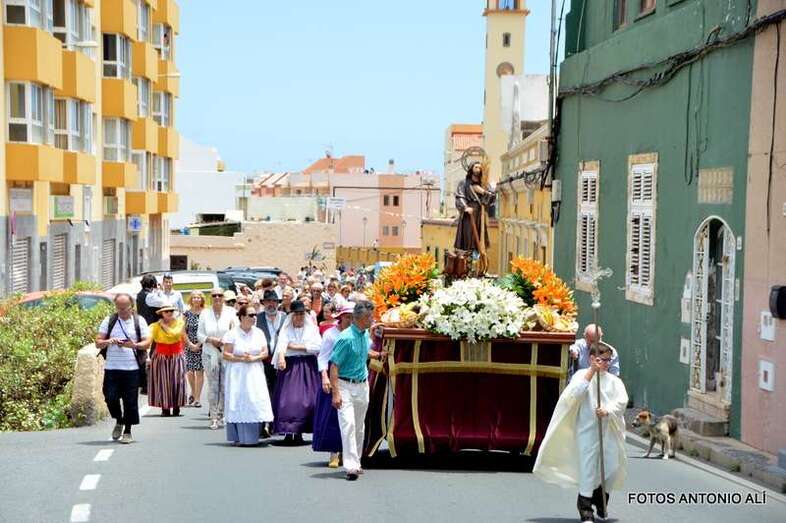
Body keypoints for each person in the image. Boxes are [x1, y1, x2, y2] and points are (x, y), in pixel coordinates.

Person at [533, 343, 629, 522]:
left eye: (609, 360)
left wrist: (607, 410)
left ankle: (601, 502)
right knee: (588, 468)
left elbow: (622, 402)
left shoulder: (615, 381)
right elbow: (573, 395)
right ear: (592, 358)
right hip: (587, 430)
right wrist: (591, 372)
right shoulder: (580, 376)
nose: (607, 363)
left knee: (610, 468)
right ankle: (585, 509)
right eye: (603, 360)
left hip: (609, 430)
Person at [329, 301, 379, 480]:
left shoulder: (365, 334)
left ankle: (356, 461)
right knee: (348, 424)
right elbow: (334, 366)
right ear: (361, 318)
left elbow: (364, 352)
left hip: (362, 385)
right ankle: (350, 466)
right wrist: (335, 393)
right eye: (369, 317)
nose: (372, 320)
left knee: (359, 426)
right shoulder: (345, 338)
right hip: (345, 386)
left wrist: (378, 355)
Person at [96, 294, 152, 444]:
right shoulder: (110, 320)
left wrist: (133, 345)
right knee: (110, 397)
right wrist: (109, 341)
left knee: (130, 402)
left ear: (131, 306)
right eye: (118, 308)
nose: (121, 311)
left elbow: (147, 343)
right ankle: (119, 420)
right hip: (112, 368)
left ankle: (128, 431)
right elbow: (98, 342)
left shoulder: (139, 321)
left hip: (132, 368)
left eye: (124, 308)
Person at [222, 305, 274, 446]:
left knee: (254, 399)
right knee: (238, 399)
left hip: (254, 370)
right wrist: (240, 359)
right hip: (237, 372)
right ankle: (238, 435)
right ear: (242, 317)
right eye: (251, 315)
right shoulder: (232, 333)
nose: (254, 318)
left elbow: (265, 352)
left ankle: (255, 433)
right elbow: (226, 354)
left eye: (255, 315)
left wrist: (253, 359)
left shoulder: (259, 332)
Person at [272, 300, 322, 444]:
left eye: (302, 314)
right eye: (297, 314)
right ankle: (288, 431)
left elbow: (317, 346)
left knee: (307, 400)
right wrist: (281, 357)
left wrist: (296, 347)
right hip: (291, 367)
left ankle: (299, 431)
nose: (299, 316)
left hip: (307, 366)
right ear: (292, 316)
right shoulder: (286, 329)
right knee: (287, 400)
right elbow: (282, 344)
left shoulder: (311, 329)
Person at [313, 302, 355, 468]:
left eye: (352, 317)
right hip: (334, 376)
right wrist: (324, 377)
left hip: (351, 377)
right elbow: (323, 357)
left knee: (350, 418)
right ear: (341, 317)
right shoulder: (330, 334)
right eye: (347, 316)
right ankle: (334, 453)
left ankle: (348, 453)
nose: (350, 320)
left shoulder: (357, 333)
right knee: (333, 418)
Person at [198, 288, 237, 429]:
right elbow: (199, 335)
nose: (217, 298)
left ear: (224, 297)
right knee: (213, 386)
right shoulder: (205, 313)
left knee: (225, 385)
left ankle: (222, 414)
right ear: (211, 297)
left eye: (220, 295)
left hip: (226, 352)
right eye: (214, 295)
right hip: (210, 353)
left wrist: (225, 340)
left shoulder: (231, 312)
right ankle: (213, 416)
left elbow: (235, 331)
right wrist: (211, 339)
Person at [148, 298, 188, 417]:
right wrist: (147, 356)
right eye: (166, 311)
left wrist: (163, 326)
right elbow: (148, 339)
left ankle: (177, 406)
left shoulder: (180, 322)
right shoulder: (154, 326)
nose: (169, 313)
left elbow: (175, 334)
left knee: (177, 381)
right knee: (162, 382)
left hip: (176, 355)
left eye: (171, 311)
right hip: (161, 355)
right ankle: (165, 408)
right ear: (161, 313)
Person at [256, 289, 287, 437]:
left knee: (280, 393)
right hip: (264, 362)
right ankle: (264, 423)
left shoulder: (285, 318)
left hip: (282, 362)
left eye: (274, 301)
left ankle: (277, 424)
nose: (271, 304)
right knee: (264, 393)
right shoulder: (257, 319)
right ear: (264, 303)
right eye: (268, 301)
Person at [454, 161, 496, 253]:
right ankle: (468, 253)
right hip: (469, 213)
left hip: (480, 213)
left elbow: (491, 197)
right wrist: (465, 207)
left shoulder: (483, 184)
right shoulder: (464, 183)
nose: (478, 169)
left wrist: (484, 192)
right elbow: (459, 196)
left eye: (479, 168)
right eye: (476, 167)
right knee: (469, 235)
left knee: (479, 235)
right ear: (471, 169)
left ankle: (477, 253)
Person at [183, 291, 205, 407]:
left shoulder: (205, 313)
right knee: (190, 372)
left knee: (200, 371)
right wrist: (190, 344)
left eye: (198, 298)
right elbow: (183, 331)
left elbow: (206, 330)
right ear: (191, 300)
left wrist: (199, 344)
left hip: (202, 345)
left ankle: (197, 398)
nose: (196, 299)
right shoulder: (186, 314)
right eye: (194, 297)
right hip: (189, 344)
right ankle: (193, 391)